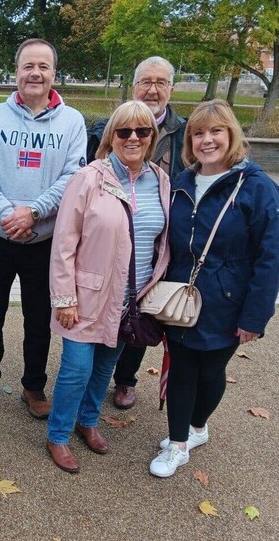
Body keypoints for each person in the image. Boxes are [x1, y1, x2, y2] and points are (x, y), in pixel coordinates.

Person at [149, 100, 279, 478]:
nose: (206, 140)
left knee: (210, 373)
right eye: (197, 133)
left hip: (227, 301)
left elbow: (269, 258)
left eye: (215, 132)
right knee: (182, 369)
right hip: (180, 297)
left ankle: (197, 427)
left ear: (231, 135)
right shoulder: (181, 182)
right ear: (189, 140)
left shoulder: (257, 188)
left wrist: (255, 316)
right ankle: (178, 445)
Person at [46, 100, 171, 473]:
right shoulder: (90, 178)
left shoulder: (160, 180)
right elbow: (64, 243)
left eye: (142, 131)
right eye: (124, 131)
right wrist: (64, 298)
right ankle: (58, 434)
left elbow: (162, 240)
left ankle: (88, 421)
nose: (133, 138)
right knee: (77, 370)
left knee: (104, 370)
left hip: (132, 299)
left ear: (152, 137)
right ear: (110, 136)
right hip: (87, 296)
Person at [0, 38, 87, 419]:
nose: (35, 73)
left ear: (54, 73)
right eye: (27, 66)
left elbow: (72, 177)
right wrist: (8, 215)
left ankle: (33, 386)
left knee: (39, 319)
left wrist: (32, 212)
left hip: (45, 240)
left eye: (43, 66)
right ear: (16, 71)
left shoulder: (72, 122)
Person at [87, 56, 187, 410]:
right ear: (134, 86)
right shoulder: (105, 129)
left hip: (158, 239)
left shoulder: (184, 133)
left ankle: (125, 380)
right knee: (101, 315)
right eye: (146, 81)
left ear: (171, 89)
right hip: (109, 240)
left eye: (161, 82)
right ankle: (92, 380)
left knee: (140, 315)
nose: (153, 89)